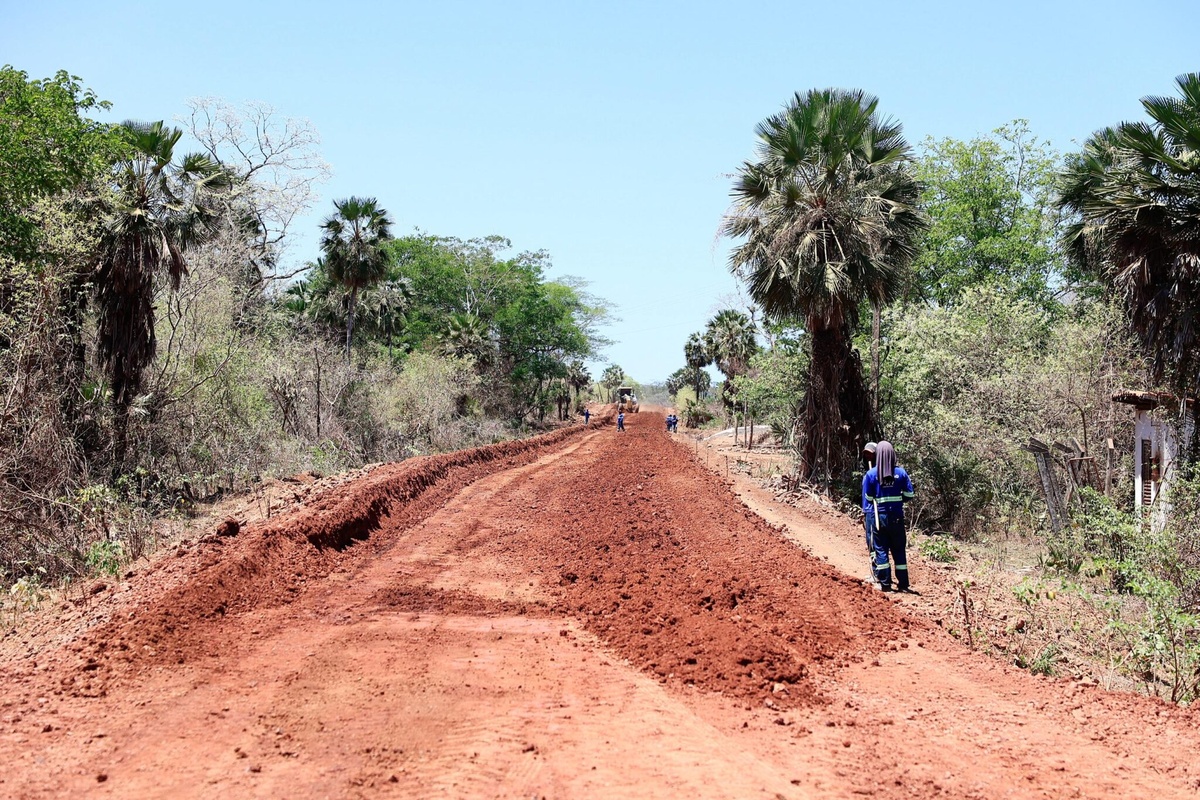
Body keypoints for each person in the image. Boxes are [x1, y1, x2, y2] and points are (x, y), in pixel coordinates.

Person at [861, 440, 916, 592]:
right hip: (897, 517)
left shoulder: (872, 474)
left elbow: (869, 497)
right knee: (899, 549)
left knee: (880, 549)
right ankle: (903, 584)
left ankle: (885, 584)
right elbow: (909, 494)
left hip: (880, 518)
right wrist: (898, 500)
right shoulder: (901, 473)